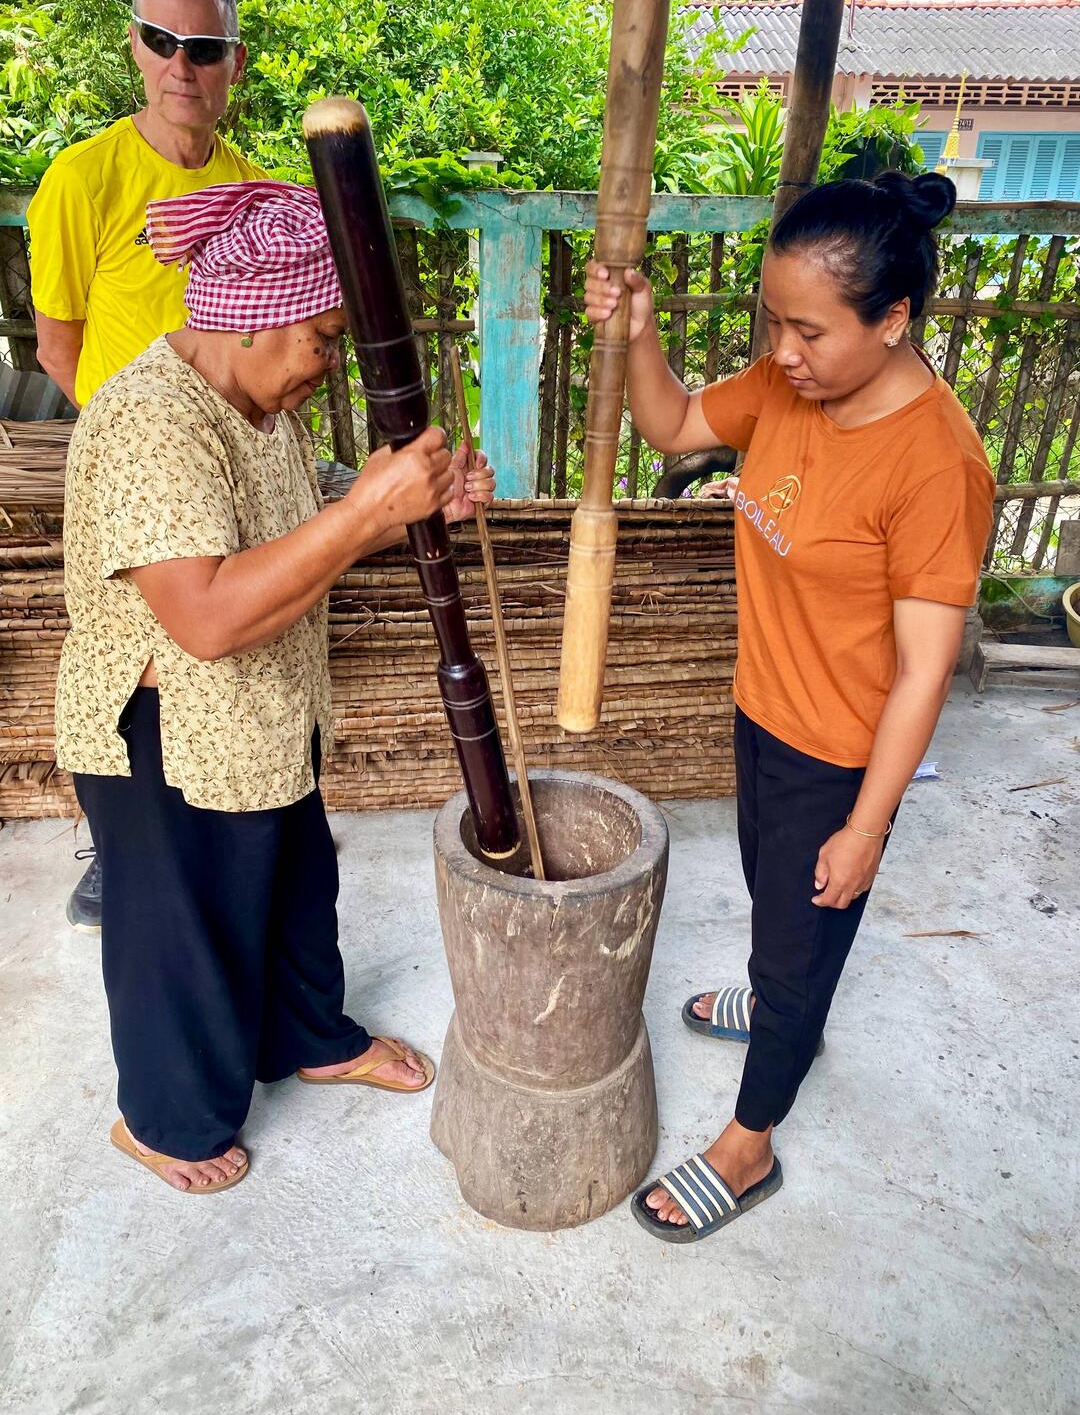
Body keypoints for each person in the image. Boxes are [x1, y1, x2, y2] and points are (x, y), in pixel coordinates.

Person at [54, 180, 496, 1193]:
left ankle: (311, 1036)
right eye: (323, 340)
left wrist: (411, 499)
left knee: (295, 889)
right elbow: (204, 619)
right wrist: (366, 515)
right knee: (184, 933)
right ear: (253, 324)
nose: (328, 364)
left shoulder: (253, 402)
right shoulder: (151, 424)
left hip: (261, 713)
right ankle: (163, 1123)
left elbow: (316, 498)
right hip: (163, 732)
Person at [584, 171, 994, 1243]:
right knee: (779, 920)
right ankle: (781, 1014)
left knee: (805, 939)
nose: (785, 348)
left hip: (841, 755)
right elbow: (671, 424)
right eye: (776, 321)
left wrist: (867, 826)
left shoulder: (937, 465)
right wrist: (639, 330)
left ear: (895, 320)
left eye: (809, 328)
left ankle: (750, 1143)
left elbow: (923, 670)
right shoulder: (787, 388)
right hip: (762, 709)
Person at [27, 0, 263, 932]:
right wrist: (137, 446)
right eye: (164, 42)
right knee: (125, 663)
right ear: (135, 46)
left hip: (229, 453)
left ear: (231, 67)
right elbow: (57, 345)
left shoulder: (246, 179)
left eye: (203, 49)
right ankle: (116, 848)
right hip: (131, 463)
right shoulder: (83, 180)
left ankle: (232, 819)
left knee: (220, 654)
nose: (182, 65)